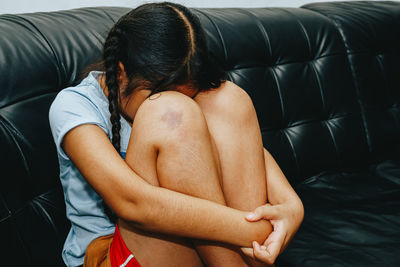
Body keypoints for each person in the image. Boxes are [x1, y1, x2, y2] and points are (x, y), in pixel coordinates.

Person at [49, 2, 304, 267]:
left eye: (188, 95)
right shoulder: (74, 106)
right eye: (155, 95)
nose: (183, 103)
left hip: (194, 252)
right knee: (170, 112)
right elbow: (132, 204)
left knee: (227, 98)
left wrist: (292, 208)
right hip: (108, 255)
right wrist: (256, 231)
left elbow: (250, 153)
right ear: (121, 74)